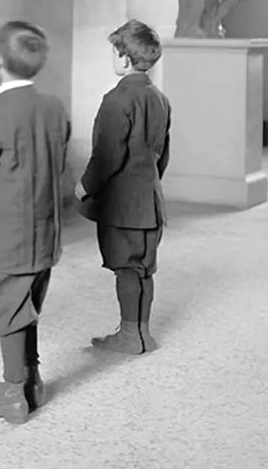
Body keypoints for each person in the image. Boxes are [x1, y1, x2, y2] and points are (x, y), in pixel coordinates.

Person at [0, 22, 69, 424]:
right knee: (27, 308)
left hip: (6, 236)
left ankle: (13, 392)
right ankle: (31, 378)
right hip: (44, 233)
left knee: (7, 309)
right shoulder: (54, 107)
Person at [77, 19, 171, 354]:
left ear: (122, 56)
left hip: (123, 204)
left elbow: (107, 155)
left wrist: (85, 186)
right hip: (150, 198)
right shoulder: (159, 99)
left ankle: (130, 335)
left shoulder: (116, 100)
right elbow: (163, 153)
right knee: (144, 268)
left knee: (126, 268)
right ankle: (142, 332)